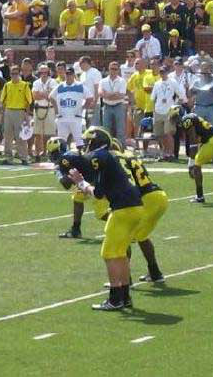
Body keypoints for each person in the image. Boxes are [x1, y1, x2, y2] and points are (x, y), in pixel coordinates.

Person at [67, 127, 146, 311]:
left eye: (87, 142)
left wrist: (81, 182)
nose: (85, 147)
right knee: (120, 253)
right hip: (136, 206)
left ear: (94, 142)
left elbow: (98, 194)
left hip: (123, 209)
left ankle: (115, 298)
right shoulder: (108, 157)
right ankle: (125, 296)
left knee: (109, 253)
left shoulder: (99, 157)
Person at [115, 140, 168, 283]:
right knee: (141, 236)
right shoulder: (129, 155)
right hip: (158, 195)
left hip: (145, 199)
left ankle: (125, 279)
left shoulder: (116, 160)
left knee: (123, 235)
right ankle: (155, 273)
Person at [46, 136, 108, 239]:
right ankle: (76, 230)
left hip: (97, 182)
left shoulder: (64, 159)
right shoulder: (71, 153)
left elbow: (67, 185)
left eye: (53, 152)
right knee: (77, 199)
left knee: (101, 214)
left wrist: (59, 174)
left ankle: (128, 227)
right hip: (91, 179)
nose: (52, 155)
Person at [0, 65, 32, 164]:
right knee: (7, 136)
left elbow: (28, 101)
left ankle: (23, 157)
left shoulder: (24, 85)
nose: (14, 75)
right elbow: (3, 101)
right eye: (12, 74)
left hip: (20, 112)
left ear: (19, 74)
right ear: (10, 74)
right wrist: (2, 113)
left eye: (16, 73)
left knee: (20, 136)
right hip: (8, 111)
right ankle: (8, 157)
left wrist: (27, 116)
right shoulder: (7, 85)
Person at [52, 67, 88, 146]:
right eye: (67, 74)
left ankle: (79, 153)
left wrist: (83, 108)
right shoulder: (60, 86)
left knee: (79, 140)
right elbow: (51, 97)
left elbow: (90, 98)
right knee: (61, 140)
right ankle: (63, 153)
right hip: (62, 118)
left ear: (74, 75)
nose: (68, 76)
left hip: (76, 118)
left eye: (70, 74)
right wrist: (56, 110)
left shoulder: (80, 86)